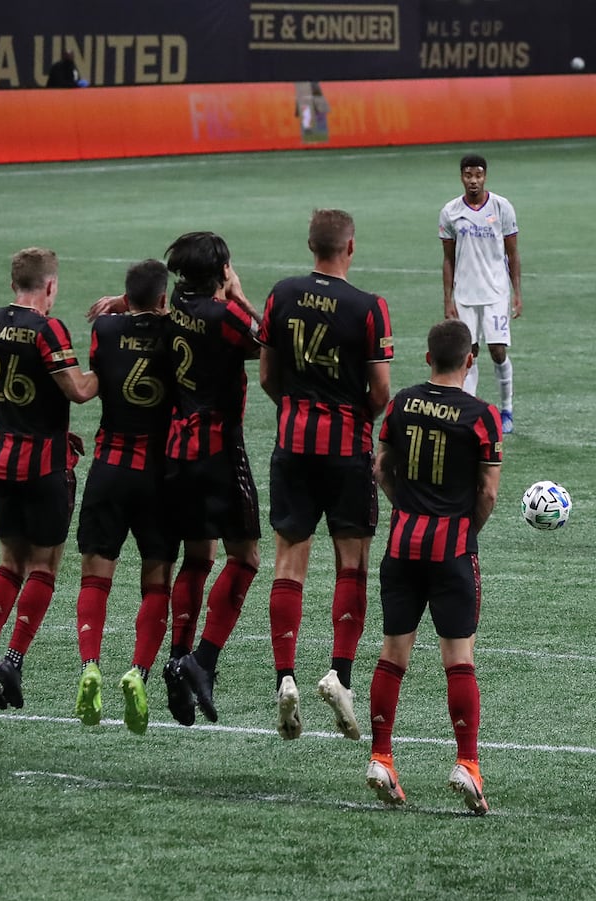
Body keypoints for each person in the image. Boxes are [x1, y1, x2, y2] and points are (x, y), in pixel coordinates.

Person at [257, 209, 393, 741]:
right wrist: (356, 417)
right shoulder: (367, 307)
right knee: (351, 564)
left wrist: (294, 406)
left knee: (289, 561)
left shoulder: (281, 294)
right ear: (350, 247)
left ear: (310, 244)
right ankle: (340, 675)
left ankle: (284, 677)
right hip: (346, 447)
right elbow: (379, 390)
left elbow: (268, 375)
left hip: (292, 443)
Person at [367, 319, 502, 815]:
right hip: (451, 550)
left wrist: (403, 505)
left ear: (427, 359)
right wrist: (467, 532)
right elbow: (487, 492)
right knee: (458, 658)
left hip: (402, 545)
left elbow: (381, 466)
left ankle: (381, 757)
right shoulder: (482, 416)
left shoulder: (401, 402)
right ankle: (467, 764)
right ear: (470, 361)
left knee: (392, 654)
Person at [0, 247, 99, 710]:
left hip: (1, 457)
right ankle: (14, 661)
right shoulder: (48, 328)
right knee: (44, 566)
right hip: (43, 464)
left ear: (12, 285)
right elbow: (79, 390)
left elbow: (27, 394)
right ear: (50, 286)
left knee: (9, 563)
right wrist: (112, 362)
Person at [161, 231, 264, 725]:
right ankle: (204, 660)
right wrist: (240, 295)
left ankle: (177, 654)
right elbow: (266, 342)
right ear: (222, 270)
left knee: (196, 557)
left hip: (178, 447)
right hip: (221, 449)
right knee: (244, 559)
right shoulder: (224, 316)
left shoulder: (176, 301)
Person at [72, 259, 178, 734]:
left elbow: (118, 326)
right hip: (158, 474)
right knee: (157, 581)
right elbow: (185, 317)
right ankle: (138, 670)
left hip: (108, 469)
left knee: (95, 575)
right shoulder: (178, 334)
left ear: (124, 295)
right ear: (162, 298)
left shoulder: (107, 330)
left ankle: (90, 664)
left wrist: (120, 306)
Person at [438, 153, 522, 430]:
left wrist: (517, 292)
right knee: (468, 352)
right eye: (468, 175)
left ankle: (507, 410)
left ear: (485, 176)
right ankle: (468, 409)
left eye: (478, 175)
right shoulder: (450, 211)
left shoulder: (501, 208)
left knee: (497, 351)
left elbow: (512, 253)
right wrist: (448, 300)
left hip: (496, 292)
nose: (473, 181)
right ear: (461, 176)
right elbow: (448, 259)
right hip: (465, 294)